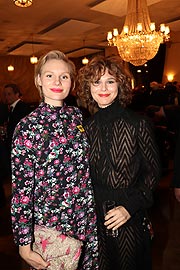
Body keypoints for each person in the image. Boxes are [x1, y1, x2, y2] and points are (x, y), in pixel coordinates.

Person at [11, 50, 98, 269]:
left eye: (64, 76)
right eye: (49, 75)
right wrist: (23, 243)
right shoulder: (27, 127)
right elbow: (21, 191)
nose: (57, 81)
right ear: (38, 80)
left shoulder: (78, 116)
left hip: (86, 220)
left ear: (72, 81)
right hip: (52, 226)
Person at [77, 55, 161, 270]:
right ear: (88, 88)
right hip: (95, 218)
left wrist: (129, 208)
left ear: (120, 85)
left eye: (110, 81)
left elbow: (152, 174)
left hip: (129, 217)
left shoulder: (138, 123)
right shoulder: (85, 127)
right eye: (96, 82)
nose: (103, 88)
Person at [4, 83, 31, 151]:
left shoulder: (22, 107)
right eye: (5, 94)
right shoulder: (12, 107)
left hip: (19, 146)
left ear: (17, 94)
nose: (6, 97)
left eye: (9, 94)